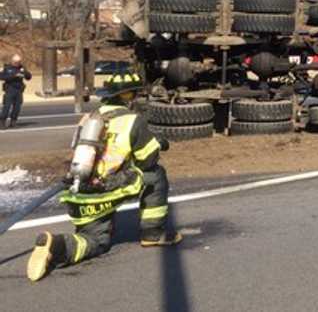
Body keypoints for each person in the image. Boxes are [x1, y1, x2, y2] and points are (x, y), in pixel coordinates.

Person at [26, 73, 182, 282]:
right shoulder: (132, 120)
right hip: (107, 187)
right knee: (155, 175)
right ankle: (153, 233)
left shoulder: (90, 118)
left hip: (80, 188)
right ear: (129, 96)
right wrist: (157, 143)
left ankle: (58, 245)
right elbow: (147, 160)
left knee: (90, 238)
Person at [0, 54, 32, 129]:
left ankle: (13, 122)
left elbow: (29, 77)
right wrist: (14, 76)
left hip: (19, 90)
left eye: (18, 62)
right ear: (12, 61)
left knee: (17, 107)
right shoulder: (7, 68)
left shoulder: (22, 68)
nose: (17, 63)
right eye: (16, 62)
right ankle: (2, 122)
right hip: (10, 89)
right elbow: (2, 77)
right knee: (7, 107)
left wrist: (25, 73)